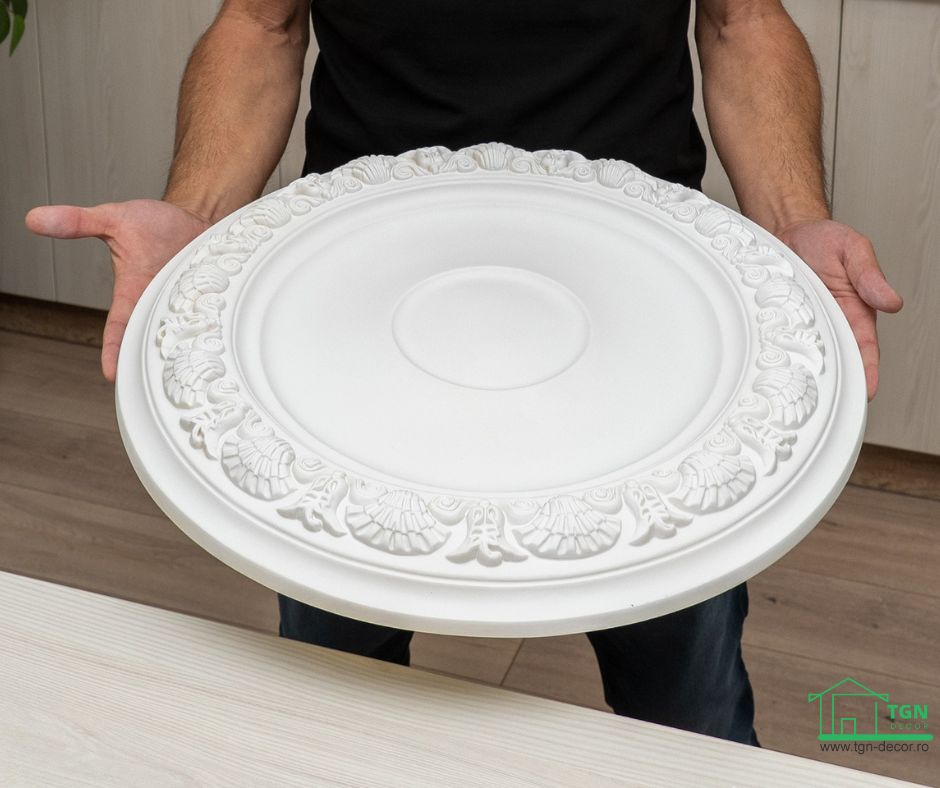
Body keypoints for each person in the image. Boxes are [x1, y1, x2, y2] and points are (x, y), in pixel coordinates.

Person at [26, 0, 902, 746]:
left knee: (688, 713)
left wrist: (793, 224)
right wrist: (195, 219)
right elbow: (262, 22)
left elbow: (741, 20)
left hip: (645, 303)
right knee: (337, 704)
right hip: (354, 300)